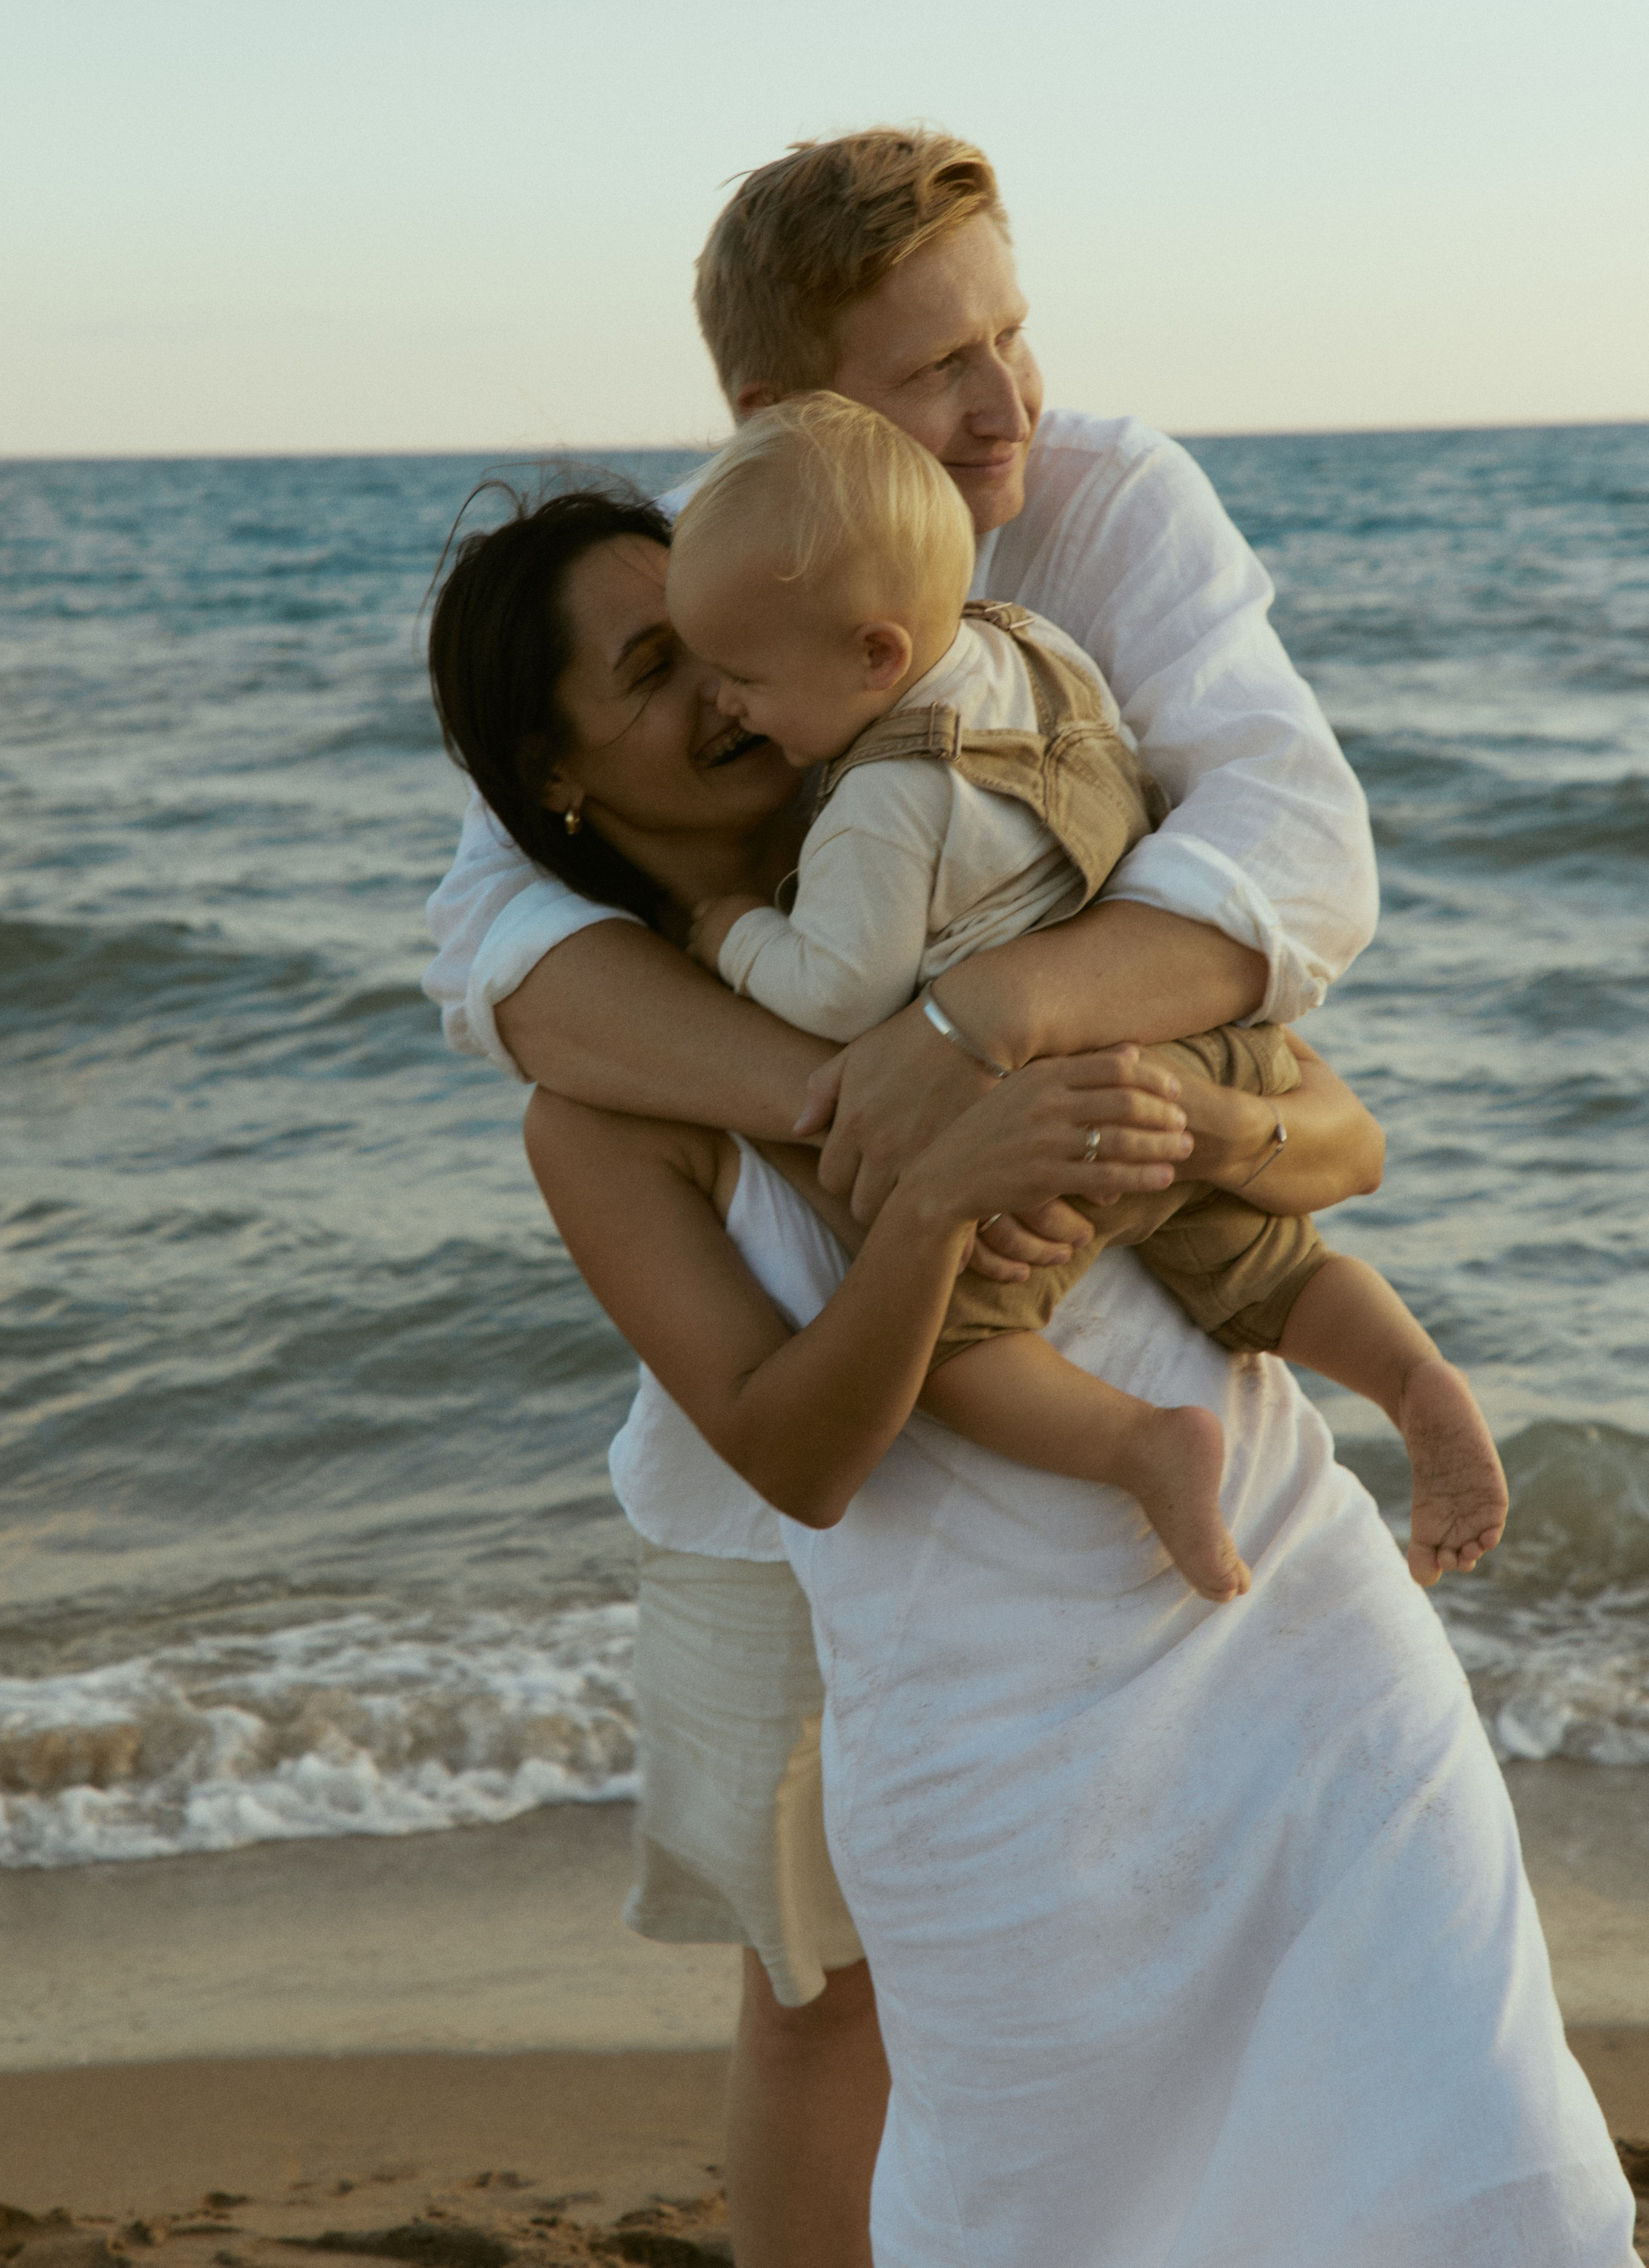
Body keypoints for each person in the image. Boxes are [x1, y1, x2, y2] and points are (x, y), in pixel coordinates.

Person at [424, 493, 1634, 2267]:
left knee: (1472, 2151)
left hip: (1295, 1623)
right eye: (656, 667)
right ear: (554, 774)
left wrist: (1198, 1121)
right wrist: (931, 1216)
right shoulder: (598, 1110)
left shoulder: (961, 887)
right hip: (989, 1745)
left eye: (722, 644)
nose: (727, 691)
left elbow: (1341, 1137)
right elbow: (794, 1458)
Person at [420, 127, 1382, 2262]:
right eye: (937, 365)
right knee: (825, 1991)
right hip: (782, 1480)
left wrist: (980, 1033)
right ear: (783, 412)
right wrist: (854, 1101)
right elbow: (491, 946)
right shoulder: (715, 655)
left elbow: (1304, 883)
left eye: (1012, 335)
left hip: (1063, 1406)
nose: (1004, 402)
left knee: (1102, 1935)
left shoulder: (1050, 549)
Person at [667, 388, 1508, 1601]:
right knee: (1268, 1261)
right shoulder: (1035, 646)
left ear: (875, 658)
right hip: (1192, 1041)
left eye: (743, 676)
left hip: (1052, 1117)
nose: (726, 704)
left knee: (942, 1338)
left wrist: (732, 931)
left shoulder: (878, 803)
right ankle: (1412, 1376)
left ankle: (1142, 1446)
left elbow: (838, 993)